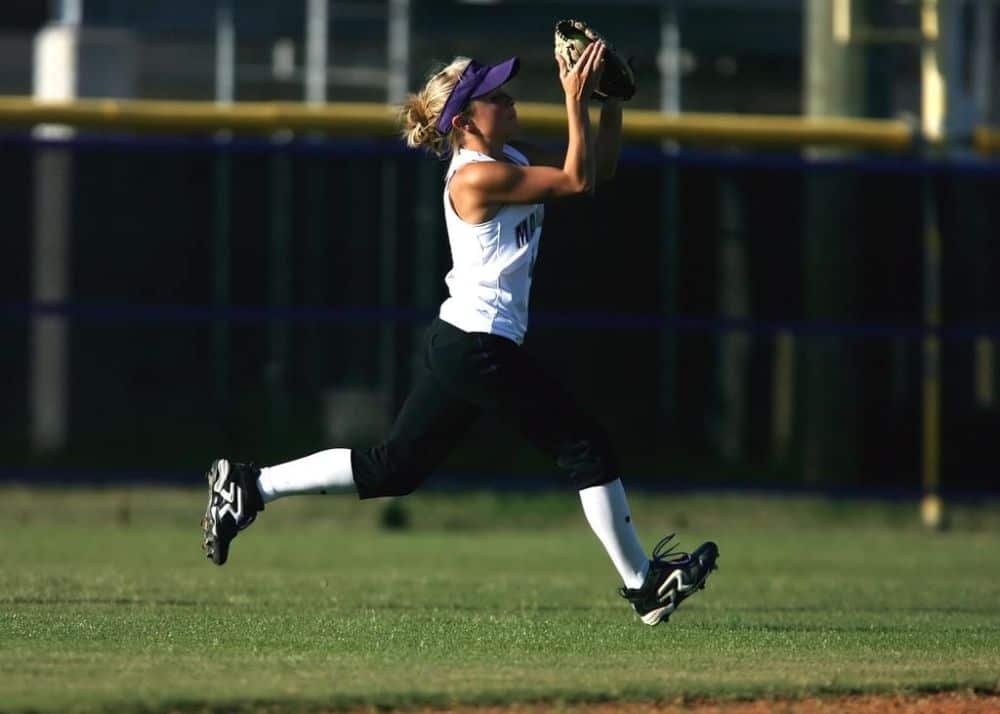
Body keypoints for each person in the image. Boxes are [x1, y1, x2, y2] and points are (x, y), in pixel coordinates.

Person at [201, 41, 718, 626]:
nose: (507, 98)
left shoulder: (507, 160)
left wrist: (610, 103)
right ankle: (643, 587)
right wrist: (575, 97)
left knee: (394, 468)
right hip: (479, 347)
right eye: (494, 95)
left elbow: (593, 171)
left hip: (466, 344)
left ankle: (249, 486)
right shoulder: (476, 179)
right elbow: (575, 180)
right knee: (585, 447)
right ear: (466, 118)